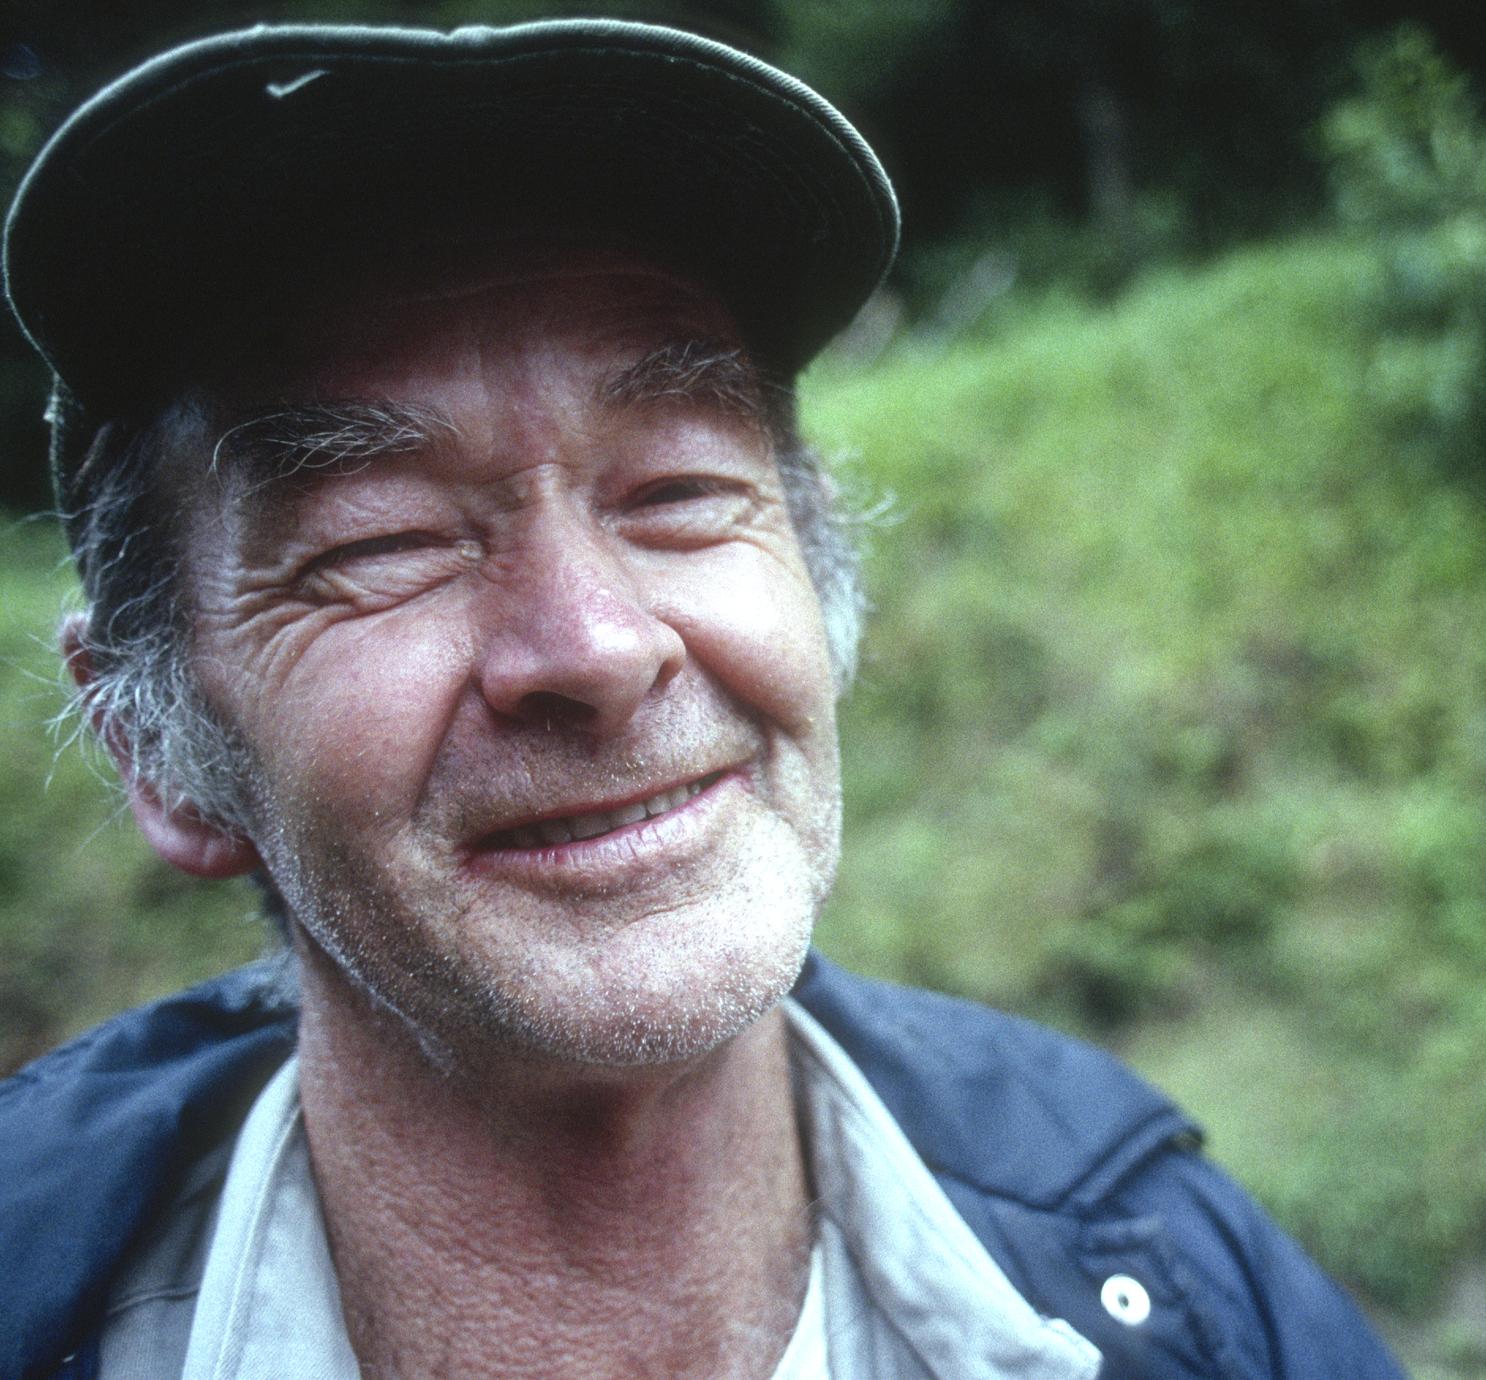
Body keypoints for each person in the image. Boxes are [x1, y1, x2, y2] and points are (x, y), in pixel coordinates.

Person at [0, 19, 1402, 1380]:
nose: (599, 649)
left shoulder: (1171, 1271)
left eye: (678, 492)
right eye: (380, 544)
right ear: (159, 751)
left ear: (817, 584)